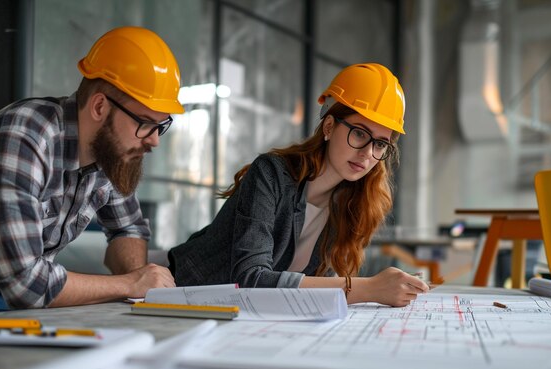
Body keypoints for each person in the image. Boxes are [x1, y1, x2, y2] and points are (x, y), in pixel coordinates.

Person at [0, 27, 182, 319]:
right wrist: (130, 282)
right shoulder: (24, 139)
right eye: (145, 122)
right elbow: (24, 286)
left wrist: (141, 287)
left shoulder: (109, 153)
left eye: (162, 125)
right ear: (100, 106)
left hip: (4, 292)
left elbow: (128, 228)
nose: (154, 140)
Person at [169, 63, 429, 307]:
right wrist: (369, 289)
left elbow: (314, 287)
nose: (367, 153)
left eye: (380, 144)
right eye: (360, 133)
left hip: (248, 321)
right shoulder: (270, 175)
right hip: (181, 300)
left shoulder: (352, 203)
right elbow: (250, 280)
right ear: (329, 126)